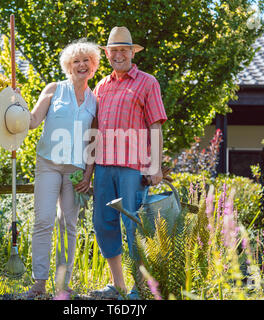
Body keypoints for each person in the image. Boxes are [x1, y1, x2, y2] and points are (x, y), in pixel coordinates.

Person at [91, 26, 167, 299]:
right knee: (102, 223)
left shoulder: (147, 82)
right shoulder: (101, 86)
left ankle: (141, 287)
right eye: (114, 51)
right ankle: (118, 284)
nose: (119, 55)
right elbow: (94, 129)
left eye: (124, 50)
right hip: (103, 166)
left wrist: (155, 166)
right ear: (108, 54)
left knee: (135, 226)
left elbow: (156, 125)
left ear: (132, 53)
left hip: (133, 167)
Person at [25, 39, 100, 297]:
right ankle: (39, 283)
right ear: (69, 66)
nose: (81, 65)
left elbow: (93, 139)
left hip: (76, 171)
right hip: (48, 164)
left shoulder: (95, 101)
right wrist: (14, 105)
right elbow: (33, 120)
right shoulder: (54, 89)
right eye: (76, 61)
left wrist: (89, 175)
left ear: (93, 67)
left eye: (86, 61)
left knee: (68, 224)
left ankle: (63, 284)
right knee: (44, 220)